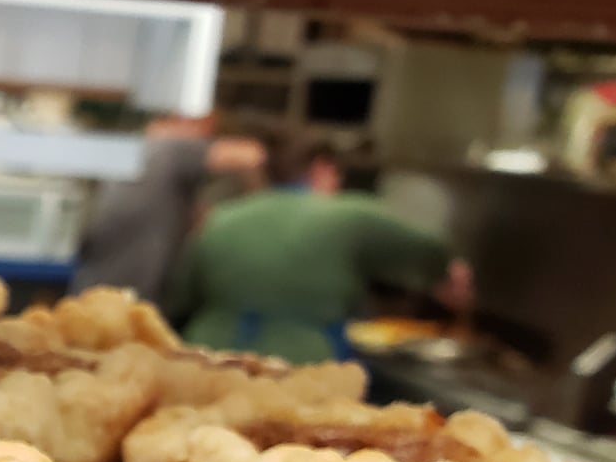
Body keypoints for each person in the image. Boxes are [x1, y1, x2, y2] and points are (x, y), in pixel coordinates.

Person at [164, 139, 473, 364]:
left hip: (208, 357)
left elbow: (182, 295)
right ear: (322, 169)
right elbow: (430, 247)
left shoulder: (221, 217)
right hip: (299, 365)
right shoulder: (345, 214)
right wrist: (445, 274)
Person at [70, 115, 265, 302]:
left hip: (94, 286)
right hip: (134, 291)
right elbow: (251, 155)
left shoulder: (135, 151)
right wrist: (263, 206)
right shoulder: (172, 148)